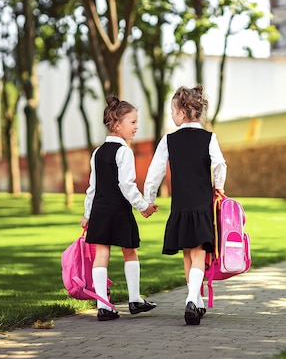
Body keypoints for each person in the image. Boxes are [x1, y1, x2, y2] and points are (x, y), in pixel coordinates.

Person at [144, 85, 227, 325]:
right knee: (199, 252)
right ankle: (193, 300)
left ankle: (194, 300)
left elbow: (154, 173)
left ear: (182, 113)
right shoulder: (209, 138)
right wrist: (219, 186)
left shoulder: (168, 140)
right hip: (201, 205)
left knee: (188, 255)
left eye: (172, 110)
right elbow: (220, 164)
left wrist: (149, 198)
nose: (171, 114)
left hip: (180, 206)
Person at [81, 96, 158, 321]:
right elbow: (126, 185)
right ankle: (134, 300)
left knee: (102, 253)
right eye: (132, 122)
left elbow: (92, 188)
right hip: (119, 210)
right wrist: (143, 206)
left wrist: (87, 214)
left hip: (100, 211)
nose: (137, 127)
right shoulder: (124, 152)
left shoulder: (97, 152)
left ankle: (103, 306)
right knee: (130, 251)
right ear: (117, 125)